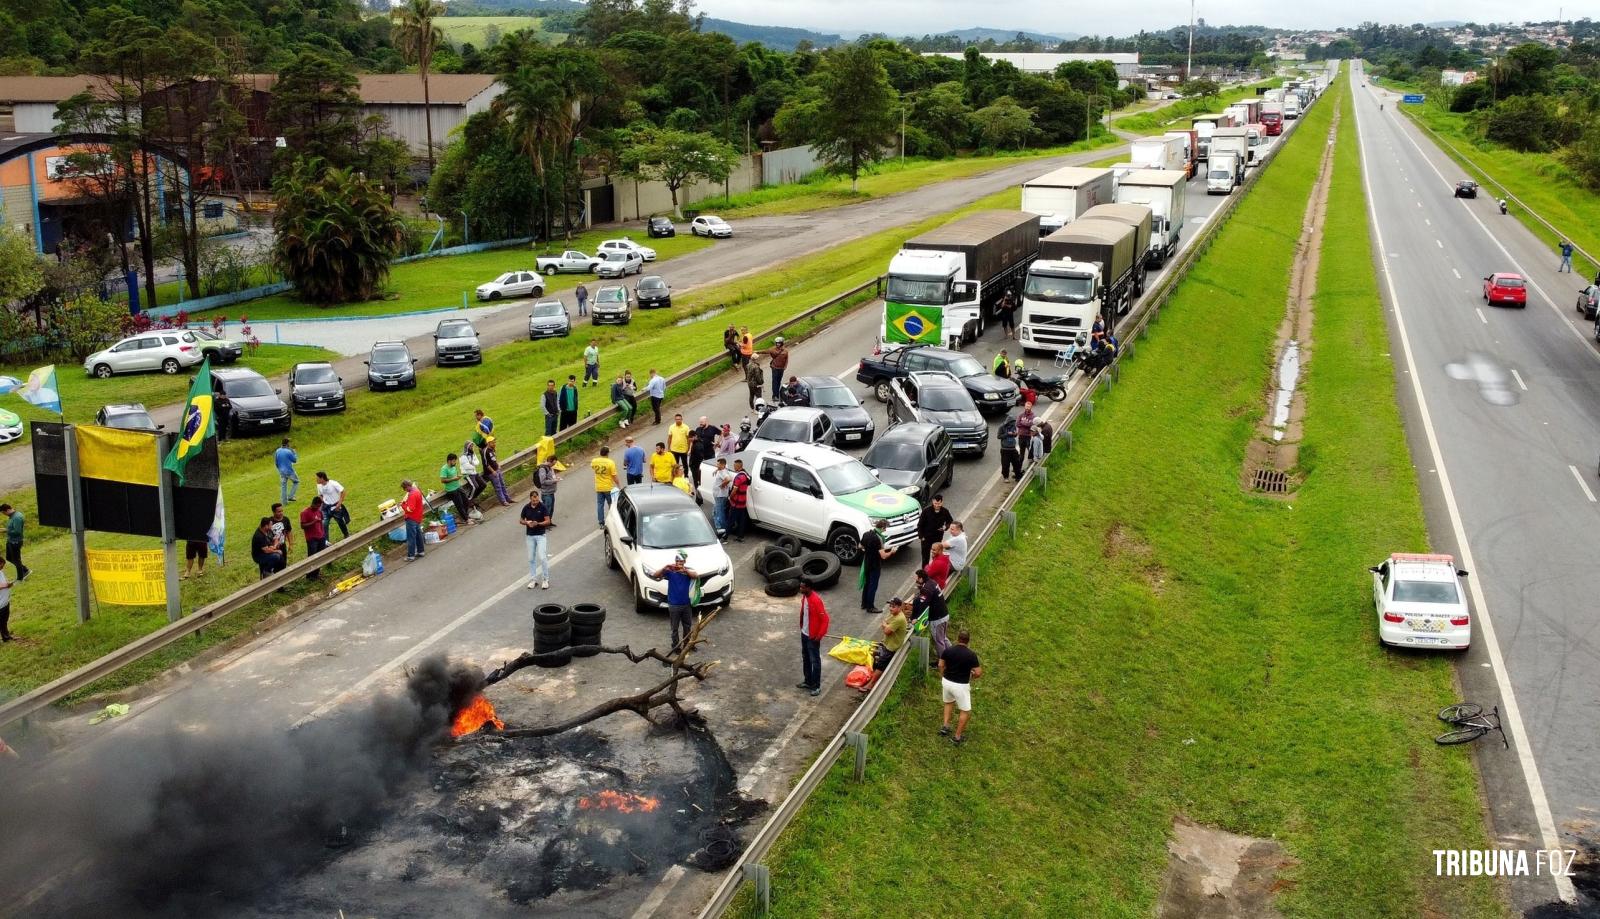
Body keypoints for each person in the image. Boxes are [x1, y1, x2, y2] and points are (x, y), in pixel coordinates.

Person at [938, 629, 982, 745]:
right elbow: (978, 672)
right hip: (961, 686)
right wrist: (972, 676)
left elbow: (940, 665)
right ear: (968, 641)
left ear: (958, 639)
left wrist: (943, 675)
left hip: (947, 682)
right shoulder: (971, 655)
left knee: (948, 703)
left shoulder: (948, 650)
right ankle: (957, 737)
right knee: (965, 710)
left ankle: (945, 726)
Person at [652, 551, 699, 655]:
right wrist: (665, 567)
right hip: (674, 605)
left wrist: (684, 570)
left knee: (687, 626)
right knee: (674, 628)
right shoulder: (670, 571)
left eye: (681, 562)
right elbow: (655, 575)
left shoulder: (687, 571)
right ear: (675, 561)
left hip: (686, 604)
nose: (679, 563)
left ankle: (688, 645)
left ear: (684, 562)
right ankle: (676, 647)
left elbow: (696, 575)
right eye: (678, 561)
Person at [797, 582, 829, 697]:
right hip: (804, 634)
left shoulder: (816, 600)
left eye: (803, 587)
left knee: (815, 661)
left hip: (813, 637)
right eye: (800, 587)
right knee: (806, 658)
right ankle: (808, 681)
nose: (800, 589)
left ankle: (816, 686)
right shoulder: (805, 597)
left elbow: (825, 619)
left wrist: (819, 636)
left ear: (809, 588)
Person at [859, 517, 895, 613]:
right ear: (882, 527)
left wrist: (868, 551)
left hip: (867, 562)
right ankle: (870, 607)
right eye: (885, 527)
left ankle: (864, 604)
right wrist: (892, 552)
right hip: (875, 565)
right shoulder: (879, 538)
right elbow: (883, 556)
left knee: (867, 584)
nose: (885, 530)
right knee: (873, 586)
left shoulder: (866, 534)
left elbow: (860, 546)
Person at [913, 568, 950, 658]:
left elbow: (923, 605)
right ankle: (952, 655)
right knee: (943, 638)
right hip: (944, 615)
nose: (915, 580)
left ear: (921, 578)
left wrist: (916, 619)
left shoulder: (926, 589)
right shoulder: (932, 582)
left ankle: (942, 661)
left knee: (939, 641)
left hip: (937, 619)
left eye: (917, 578)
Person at [520, 489, 552, 590]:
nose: (535, 502)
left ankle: (545, 579)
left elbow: (548, 521)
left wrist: (538, 523)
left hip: (540, 535)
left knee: (542, 557)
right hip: (530, 535)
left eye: (537, 500)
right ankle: (533, 579)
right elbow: (521, 520)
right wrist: (527, 523)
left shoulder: (542, 507)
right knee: (531, 558)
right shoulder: (526, 507)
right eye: (534, 501)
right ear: (530, 499)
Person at [873, 597, 909, 672]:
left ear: (899, 607)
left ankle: (872, 683)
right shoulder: (893, 614)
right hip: (887, 643)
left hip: (891, 647)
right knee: (875, 657)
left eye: (893, 606)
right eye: (890, 606)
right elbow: (884, 622)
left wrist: (886, 626)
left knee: (881, 666)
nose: (890, 608)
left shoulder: (899, 618)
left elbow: (886, 631)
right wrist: (886, 626)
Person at [917, 494, 953, 568]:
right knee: (925, 558)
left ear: (942, 502)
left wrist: (945, 527)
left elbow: (950, 521)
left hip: (937, 538)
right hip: (926, 538)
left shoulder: (945, 511)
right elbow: (920, 525)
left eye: (939, 503)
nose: (937, 505)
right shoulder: (926, 511)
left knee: (937, 556)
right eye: (935, 503)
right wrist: (921, 537)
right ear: (933, 502)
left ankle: (935, 569)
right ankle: (925, 573)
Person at [440, 452, 473, 525]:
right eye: (454, 461)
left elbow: (456, 475)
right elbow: (443, 480)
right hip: (451, 490)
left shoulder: (454, 467)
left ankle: (465, 516)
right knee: (459, 505)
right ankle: (466, 519)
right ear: (449, 461)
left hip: (458, 486)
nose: (455, 462)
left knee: (466, 501)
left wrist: (458, 477)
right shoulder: (444, 469)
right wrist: (453, 479)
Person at [315, 472, 349, 540]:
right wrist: (323, 501)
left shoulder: (333, 483)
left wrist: (339, 504)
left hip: (335, 506)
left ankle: (346, 534)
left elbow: (343, 491)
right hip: (326, 507)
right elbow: (320, 494)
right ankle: (326, 541)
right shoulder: (319, 485)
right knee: (324, 524)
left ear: (322, 478)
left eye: (317, 478)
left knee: (340, 521)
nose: (316, 480)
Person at [300, 497, 328, 579]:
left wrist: (323, 534)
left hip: (321, 537)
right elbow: (303, 526)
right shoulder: (305, 512)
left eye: (319, 506)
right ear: (313, 504)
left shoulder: (319, 511)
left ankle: (316, 574)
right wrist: (313, 522)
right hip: (312, 538)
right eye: (317, 506)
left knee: (320, 556)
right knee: (312, 557)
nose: (318, 508)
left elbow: (321, 523)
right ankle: (309, 575)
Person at [481, 438, 512, 506]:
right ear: (488, 443)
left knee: (503, 484)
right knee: (498, 487)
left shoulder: (493, 449)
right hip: (491, 472)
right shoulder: (485, 451)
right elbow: (486, 464)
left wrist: (498, 465)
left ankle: (508, 498)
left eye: (495, 442)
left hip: (497, 469)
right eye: (493, 443)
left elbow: (494, 458)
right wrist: (493, 471)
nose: (495, 444)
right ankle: (503, 501)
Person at [592, 445, 618, 527]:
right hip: (608, 486)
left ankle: (601, 522)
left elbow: (592, 467)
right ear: (607, 453)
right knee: (611, 504)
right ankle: (612, 520)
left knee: (600, 505)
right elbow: (614, 476)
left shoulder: (594, 461)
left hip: (599, 487)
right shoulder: (610, 462)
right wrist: (618, 485)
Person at [690, 415, 718, 490]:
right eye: (700, 422)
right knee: (701, 470)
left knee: (712, 468)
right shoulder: (698, 429)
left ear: (706, 421)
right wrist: (690, 449)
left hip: (710, 453)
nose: (700, 424)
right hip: (701, 454)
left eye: (702, 422)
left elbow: (721, 433)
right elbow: (694, 440)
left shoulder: (712, 428)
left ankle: (712, 482)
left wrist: (718, 443)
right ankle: (703, 483)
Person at [401, 480, 426, 561]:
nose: (405, 490)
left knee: (411, 537)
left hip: (411, 518)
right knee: (418, 534)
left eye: (404, 488)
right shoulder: (417, 491)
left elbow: (410, 509)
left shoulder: (411, 494)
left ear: (407, 486)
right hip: (418, 516)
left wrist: (403, 505)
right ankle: (421, 551)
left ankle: (411, 556)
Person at [1, 505, 28, 582]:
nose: (4, 515)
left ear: (8, 510)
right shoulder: (12, 516)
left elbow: (17, 531)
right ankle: (25, 570)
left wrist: (5, 531)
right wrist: (5, 529)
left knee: (16, 560)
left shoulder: (17, 517)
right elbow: (12, 528)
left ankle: (20, 578)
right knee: (9, 558)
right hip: (10, 540)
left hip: (15, 542)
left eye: (4, 513)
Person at [729, 458, 752, 541]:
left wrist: (730, 497)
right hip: (743, 502)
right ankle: (740, 536)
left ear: (738, 466)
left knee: (731, 519)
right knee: (741, 520)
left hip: (736, 502)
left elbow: (734, 490)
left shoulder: (739, 477)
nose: (733, 467)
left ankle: (724, 537)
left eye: (734, 466)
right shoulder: (746, 475)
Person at [710, 457, 734, 536]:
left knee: (719, 512)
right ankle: (722, 527)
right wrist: (717, 470)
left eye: (718, 464)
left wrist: (722, 485)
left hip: (720, 495)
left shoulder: (723, 472)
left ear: (723, 465)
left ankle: (721, 529)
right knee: (717, 511)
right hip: (719, 495)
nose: (717, 465)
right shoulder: (723, 469)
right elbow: (724, 469)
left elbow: (728, 479)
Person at [274, 438, 299, 504]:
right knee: (296, 482)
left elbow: (276, 462)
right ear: (288, 444)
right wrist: (294, 453)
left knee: (283, 486)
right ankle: (290, 496)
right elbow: (295, 460)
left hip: (281, 471)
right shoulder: (288, 451)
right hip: (289, 471)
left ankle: (284, 502)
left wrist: (279, 469)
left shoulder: (277, 451)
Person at [999, 414, 1022, 482]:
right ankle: (1006, 477)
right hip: (1005, 449)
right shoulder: (1001, 427)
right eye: (1012, 422)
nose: (1013, 423)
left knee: (1017, 463)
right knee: (1005, 464)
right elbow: (999, 436)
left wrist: (1015, 434)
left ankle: (1018, 477)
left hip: (1013, 448)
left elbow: (1015, 435)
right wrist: (1007, 434)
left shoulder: (1013, 426)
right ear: (1009, 421)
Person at [668, 414, 692, 479]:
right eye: (676, 419)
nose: (678, 420)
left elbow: (688, 438)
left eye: (679, 419)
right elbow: (670, 438)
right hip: (674, 449)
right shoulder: (671, 427)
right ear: (675, 420)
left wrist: (688, 448)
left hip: (683, 449)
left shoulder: (686, 427)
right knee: (675, 464)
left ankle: (686, 476)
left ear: (681, 419)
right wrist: (669, 448)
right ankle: (675, 476)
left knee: (685, 464)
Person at [535, 456, 560, 520]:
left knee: (551, 509)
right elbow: (543, 481)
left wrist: (555, 478)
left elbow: (551, 477)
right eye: (553, 464)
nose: (554, 465)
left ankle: (549, 522)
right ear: (549, 462)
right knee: (546, 510)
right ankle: (544, 523)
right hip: (546, 493)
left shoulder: (550, 468)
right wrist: (553, 481)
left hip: (551, 492)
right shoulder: (543, 469)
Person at [0, 560, 13, 641]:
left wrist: (9, 583)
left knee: (4, 621)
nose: (2, 567)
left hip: (5, 601)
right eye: (1, 565)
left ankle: (6, 637)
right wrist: (6, 585)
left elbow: (4, 582)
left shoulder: (1, 572)